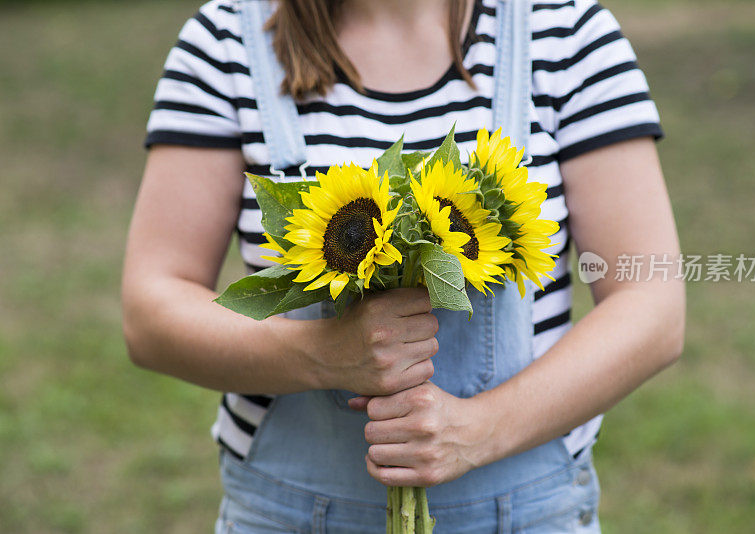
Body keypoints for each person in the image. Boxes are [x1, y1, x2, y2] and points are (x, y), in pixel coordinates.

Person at [122, 0, 685, 531]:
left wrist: (479, 430)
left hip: (525, 514)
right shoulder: (228, 40)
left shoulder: (566, 33)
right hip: (286, 515)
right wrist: (324, 355)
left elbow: (652, 304)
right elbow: (152, 311)